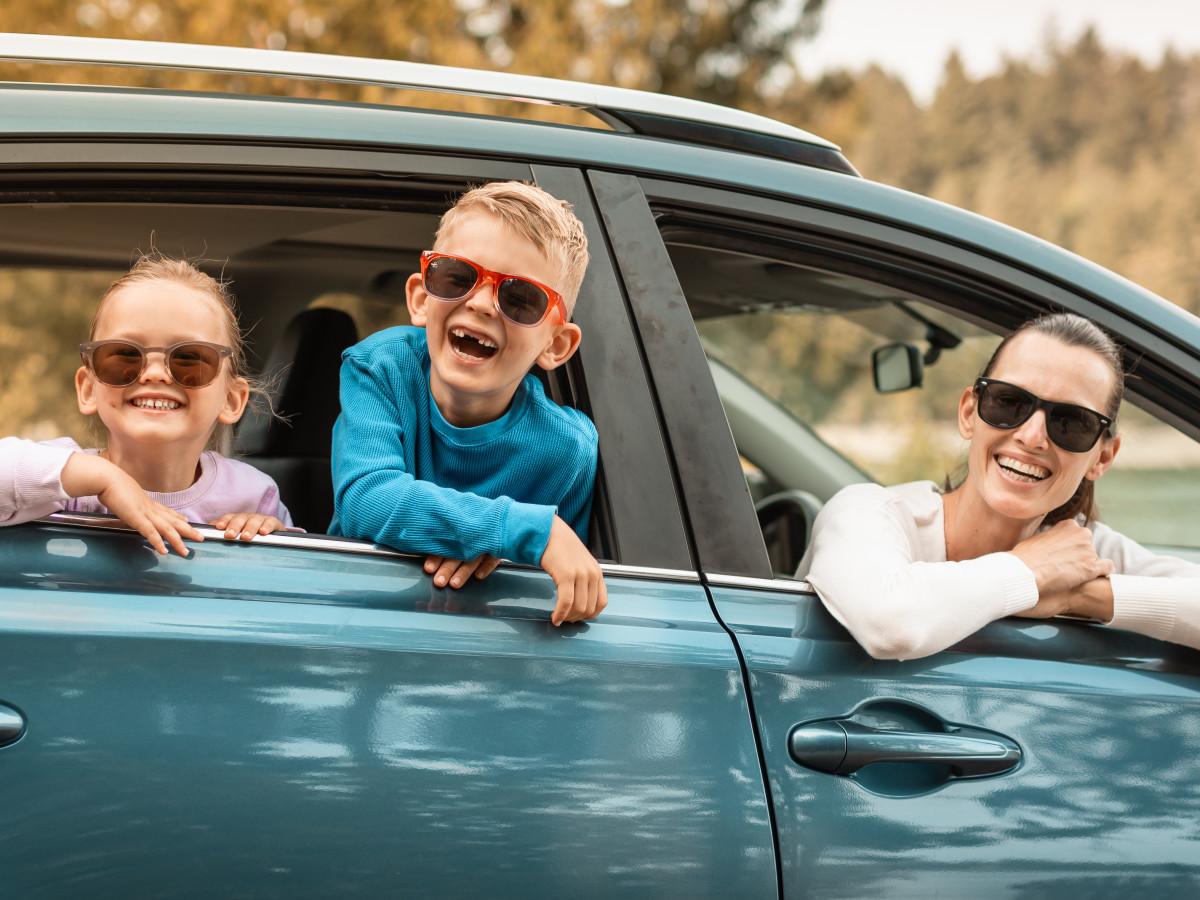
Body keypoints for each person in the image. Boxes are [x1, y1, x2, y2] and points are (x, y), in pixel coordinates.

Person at [798, 312, 1200, 660]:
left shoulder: (1079, 554)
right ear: (970, 412)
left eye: (1071, 422)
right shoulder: (867, 511)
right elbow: (889, 625)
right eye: (1009, 403)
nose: (1032, 436)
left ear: (1103, 457)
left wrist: (1081, 597)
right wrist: (1028, 571)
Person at [330, 181, 605, 626]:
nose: (479, 304)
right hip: (354, 616)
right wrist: (524, 530)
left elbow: (565, 577)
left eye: (520, 298)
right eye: (457, 277)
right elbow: (368, 499)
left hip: (483, 640)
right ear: (421, 299)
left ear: (555, 345)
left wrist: (503, 549)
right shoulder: (381, 368)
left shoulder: (568, 449)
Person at [0, 255, 293, 556]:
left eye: (189, 358)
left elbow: (295, 581)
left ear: (232, 400)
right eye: (124, 355)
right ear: (88, 389)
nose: (155, 373)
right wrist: (103, 479)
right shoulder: (61, 480)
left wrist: (267, 534)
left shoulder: (252, 494)